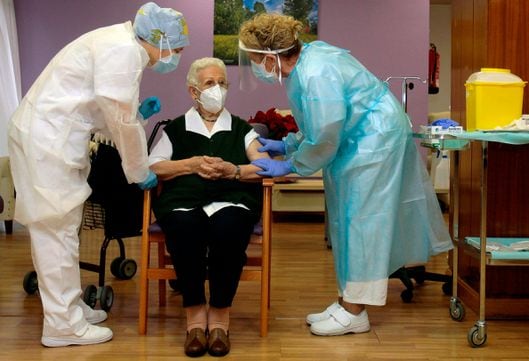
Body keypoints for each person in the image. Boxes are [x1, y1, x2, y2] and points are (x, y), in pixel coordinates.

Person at [238, 13, 453, 336]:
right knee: (344, 219)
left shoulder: (315, 72)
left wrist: (292, 164)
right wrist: (288, 143)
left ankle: (356, 311)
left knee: (362, 221)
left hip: (373, 142)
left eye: (256, 60)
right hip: (359, 140)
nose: (255, 66)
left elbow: (326, 134)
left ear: (271, 57)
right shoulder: (307, 64)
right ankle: (346, 301)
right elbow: (316, 123)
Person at [7, 2, 189, 347]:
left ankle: (70, 307)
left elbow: (106, 110)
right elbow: (118, 120)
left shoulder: (117, 43)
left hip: (50, 139)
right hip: (47, 143)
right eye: (176, 49)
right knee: (56, 231)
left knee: (65, 230)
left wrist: (136, 114)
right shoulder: (123, 52)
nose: (175, 57)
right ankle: (63, 326)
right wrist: (139, 170)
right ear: (159, 40)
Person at [148, 57, 269, 357]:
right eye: (210, 84)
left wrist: (234, 170)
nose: (218, 89)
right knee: (185, 228)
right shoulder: (175, 130)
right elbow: (153, 167)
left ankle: (219, 318)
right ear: (193, 92)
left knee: (229, 227)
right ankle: (194, 318)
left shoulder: (242, 129)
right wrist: (189, 165)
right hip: (183, 202)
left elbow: (265, 166)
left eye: (222, 83)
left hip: (232, 199)